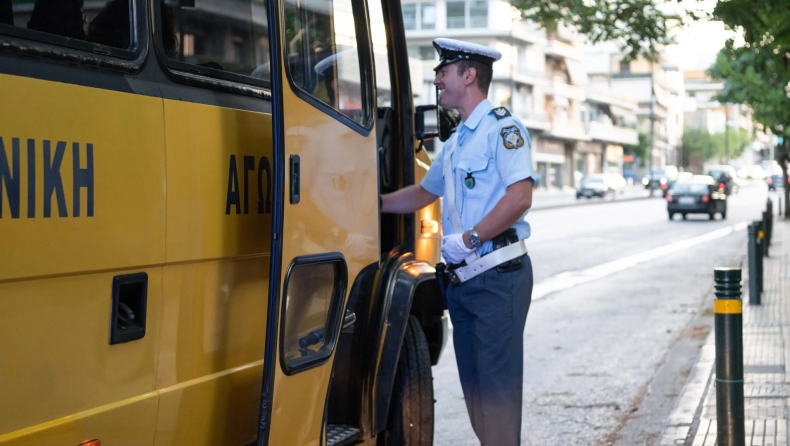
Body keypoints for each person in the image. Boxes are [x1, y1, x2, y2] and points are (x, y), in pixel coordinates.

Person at [381, 38, 535, 445]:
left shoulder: (504, 129)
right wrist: (373, 203)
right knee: (477, 397)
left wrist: (470, 238)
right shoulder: (455, 142)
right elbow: (422, 194)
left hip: (498, 276)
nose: (435, 80)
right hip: (463, 283)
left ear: (469, 76)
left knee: (498, 399)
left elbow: (520, 197)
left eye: (443, 72)